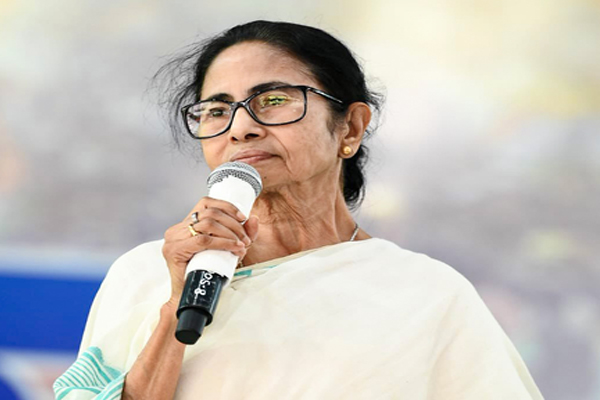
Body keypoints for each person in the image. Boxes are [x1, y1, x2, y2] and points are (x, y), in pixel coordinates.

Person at [54, 20, 543, 400]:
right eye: (217, 110)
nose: (240, 128)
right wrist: (176, 307)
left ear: (350, 127)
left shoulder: (426, 295)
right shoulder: (145, 274)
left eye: (273, 100)